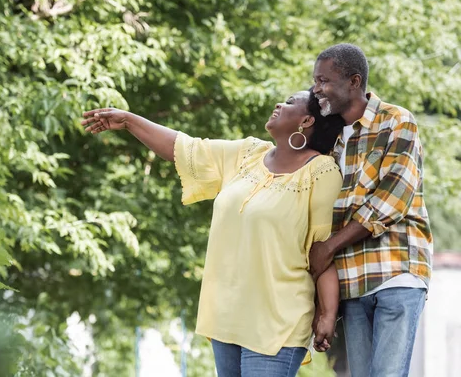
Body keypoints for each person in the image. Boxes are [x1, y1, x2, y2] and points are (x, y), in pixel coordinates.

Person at [82, 87, 345, 377]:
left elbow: (323, 251)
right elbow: (184, 148)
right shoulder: (248, 153)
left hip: (278, 321)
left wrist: (327, 315)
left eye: (290, 102)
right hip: (226, 316)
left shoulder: (321, 172)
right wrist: (130, 121)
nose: (279, 104)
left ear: (306, 121)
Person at [308, 44, 433, 377]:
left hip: (395, 271)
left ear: (354, 81)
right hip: (352, 281)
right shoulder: (329, 140)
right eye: (315, 81)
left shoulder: (396, 121)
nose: (317, 89)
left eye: (324, 80)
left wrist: (329, 247)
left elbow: (392, 199)